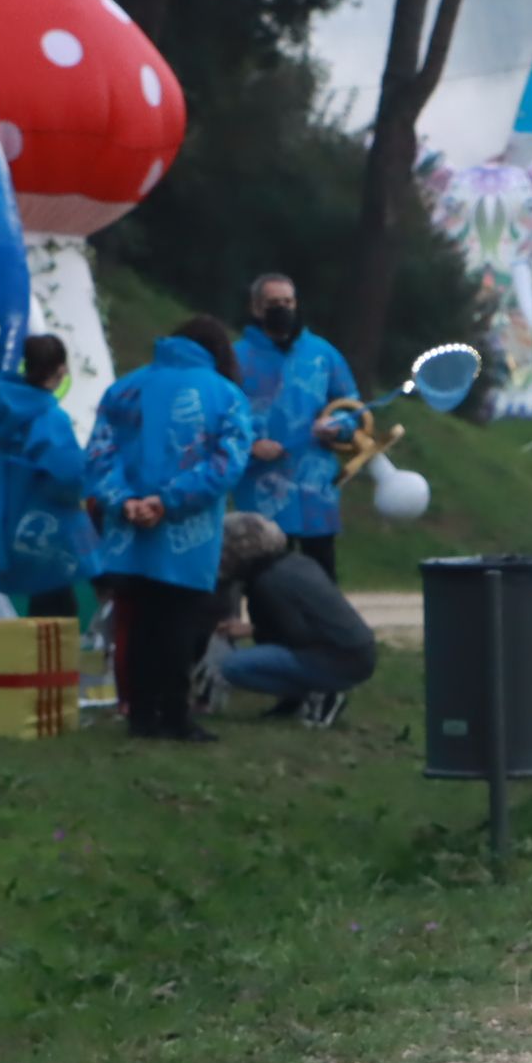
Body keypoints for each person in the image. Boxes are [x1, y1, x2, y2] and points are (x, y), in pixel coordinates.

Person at [86, 315, 252, 743]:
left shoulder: (124, 389)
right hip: (188, 534)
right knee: (178, 624)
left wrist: (126, 501)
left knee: (139, 622)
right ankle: (176, 716)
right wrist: (168, 500)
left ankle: (140, 716)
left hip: (128, 531)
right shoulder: (225, 394)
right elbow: (226, 463)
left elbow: (100, 455)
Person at [231, 274, 362, 577]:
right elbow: (221, 415)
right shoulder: (237, 358)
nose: (282, 308)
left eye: (287, 302)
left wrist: (337, 426)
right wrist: (251, 445)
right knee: (268, 576)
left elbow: (353, 407)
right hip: (262, 488)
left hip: (316, 487)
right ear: (256, 308)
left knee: (322, 573)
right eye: (273, 303)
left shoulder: (323, 354)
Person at [214, 511, 378, 726]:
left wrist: (253, 630)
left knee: (233, 666)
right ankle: (308, 695)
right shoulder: (296, 562)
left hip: (338, 658)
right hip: (359, 651)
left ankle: (320, 693)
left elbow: (296, 636)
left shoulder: (268, 582)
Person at [0, 334, 92, 620]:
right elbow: (68, 475)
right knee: (58, 609)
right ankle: (52, 665)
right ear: (61, 370)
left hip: (8, 521)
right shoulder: (51, 418)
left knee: (39, 605)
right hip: (47, 525)